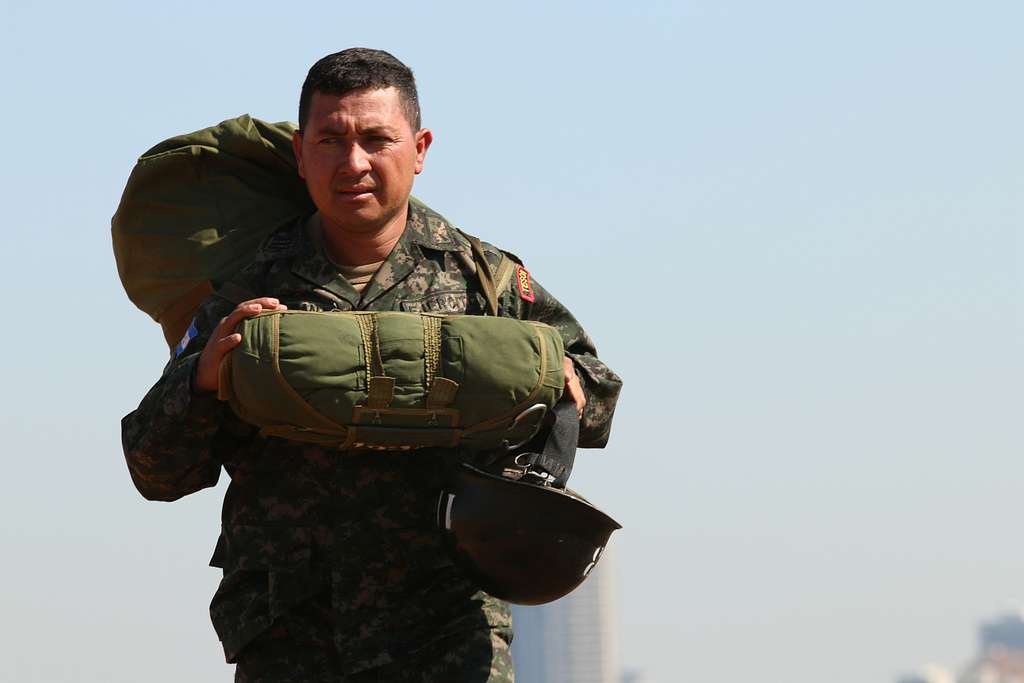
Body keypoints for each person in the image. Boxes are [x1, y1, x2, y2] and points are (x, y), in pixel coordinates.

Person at [122, 47, 622, 682]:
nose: (353, 163)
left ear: (419, 148)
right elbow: (153, 468)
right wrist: (199, 384)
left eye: (376, 139)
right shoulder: (245, 292)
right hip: (293, 635)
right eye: (330, 140)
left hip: (448, 632)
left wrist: (562, 384)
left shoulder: (486, 282)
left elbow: (598, 399)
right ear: (301, 154)